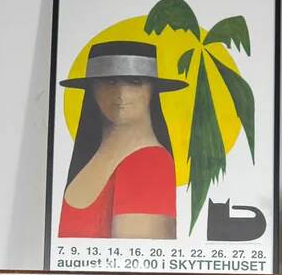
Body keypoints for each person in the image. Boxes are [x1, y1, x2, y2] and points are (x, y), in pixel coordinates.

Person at [57, 40, 186, 239]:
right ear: (92, 88)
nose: (120, 94)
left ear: (152, 90)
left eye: (135, 82)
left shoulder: (149, 163)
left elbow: (136, 264)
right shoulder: (91, 157)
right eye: (109, 82)